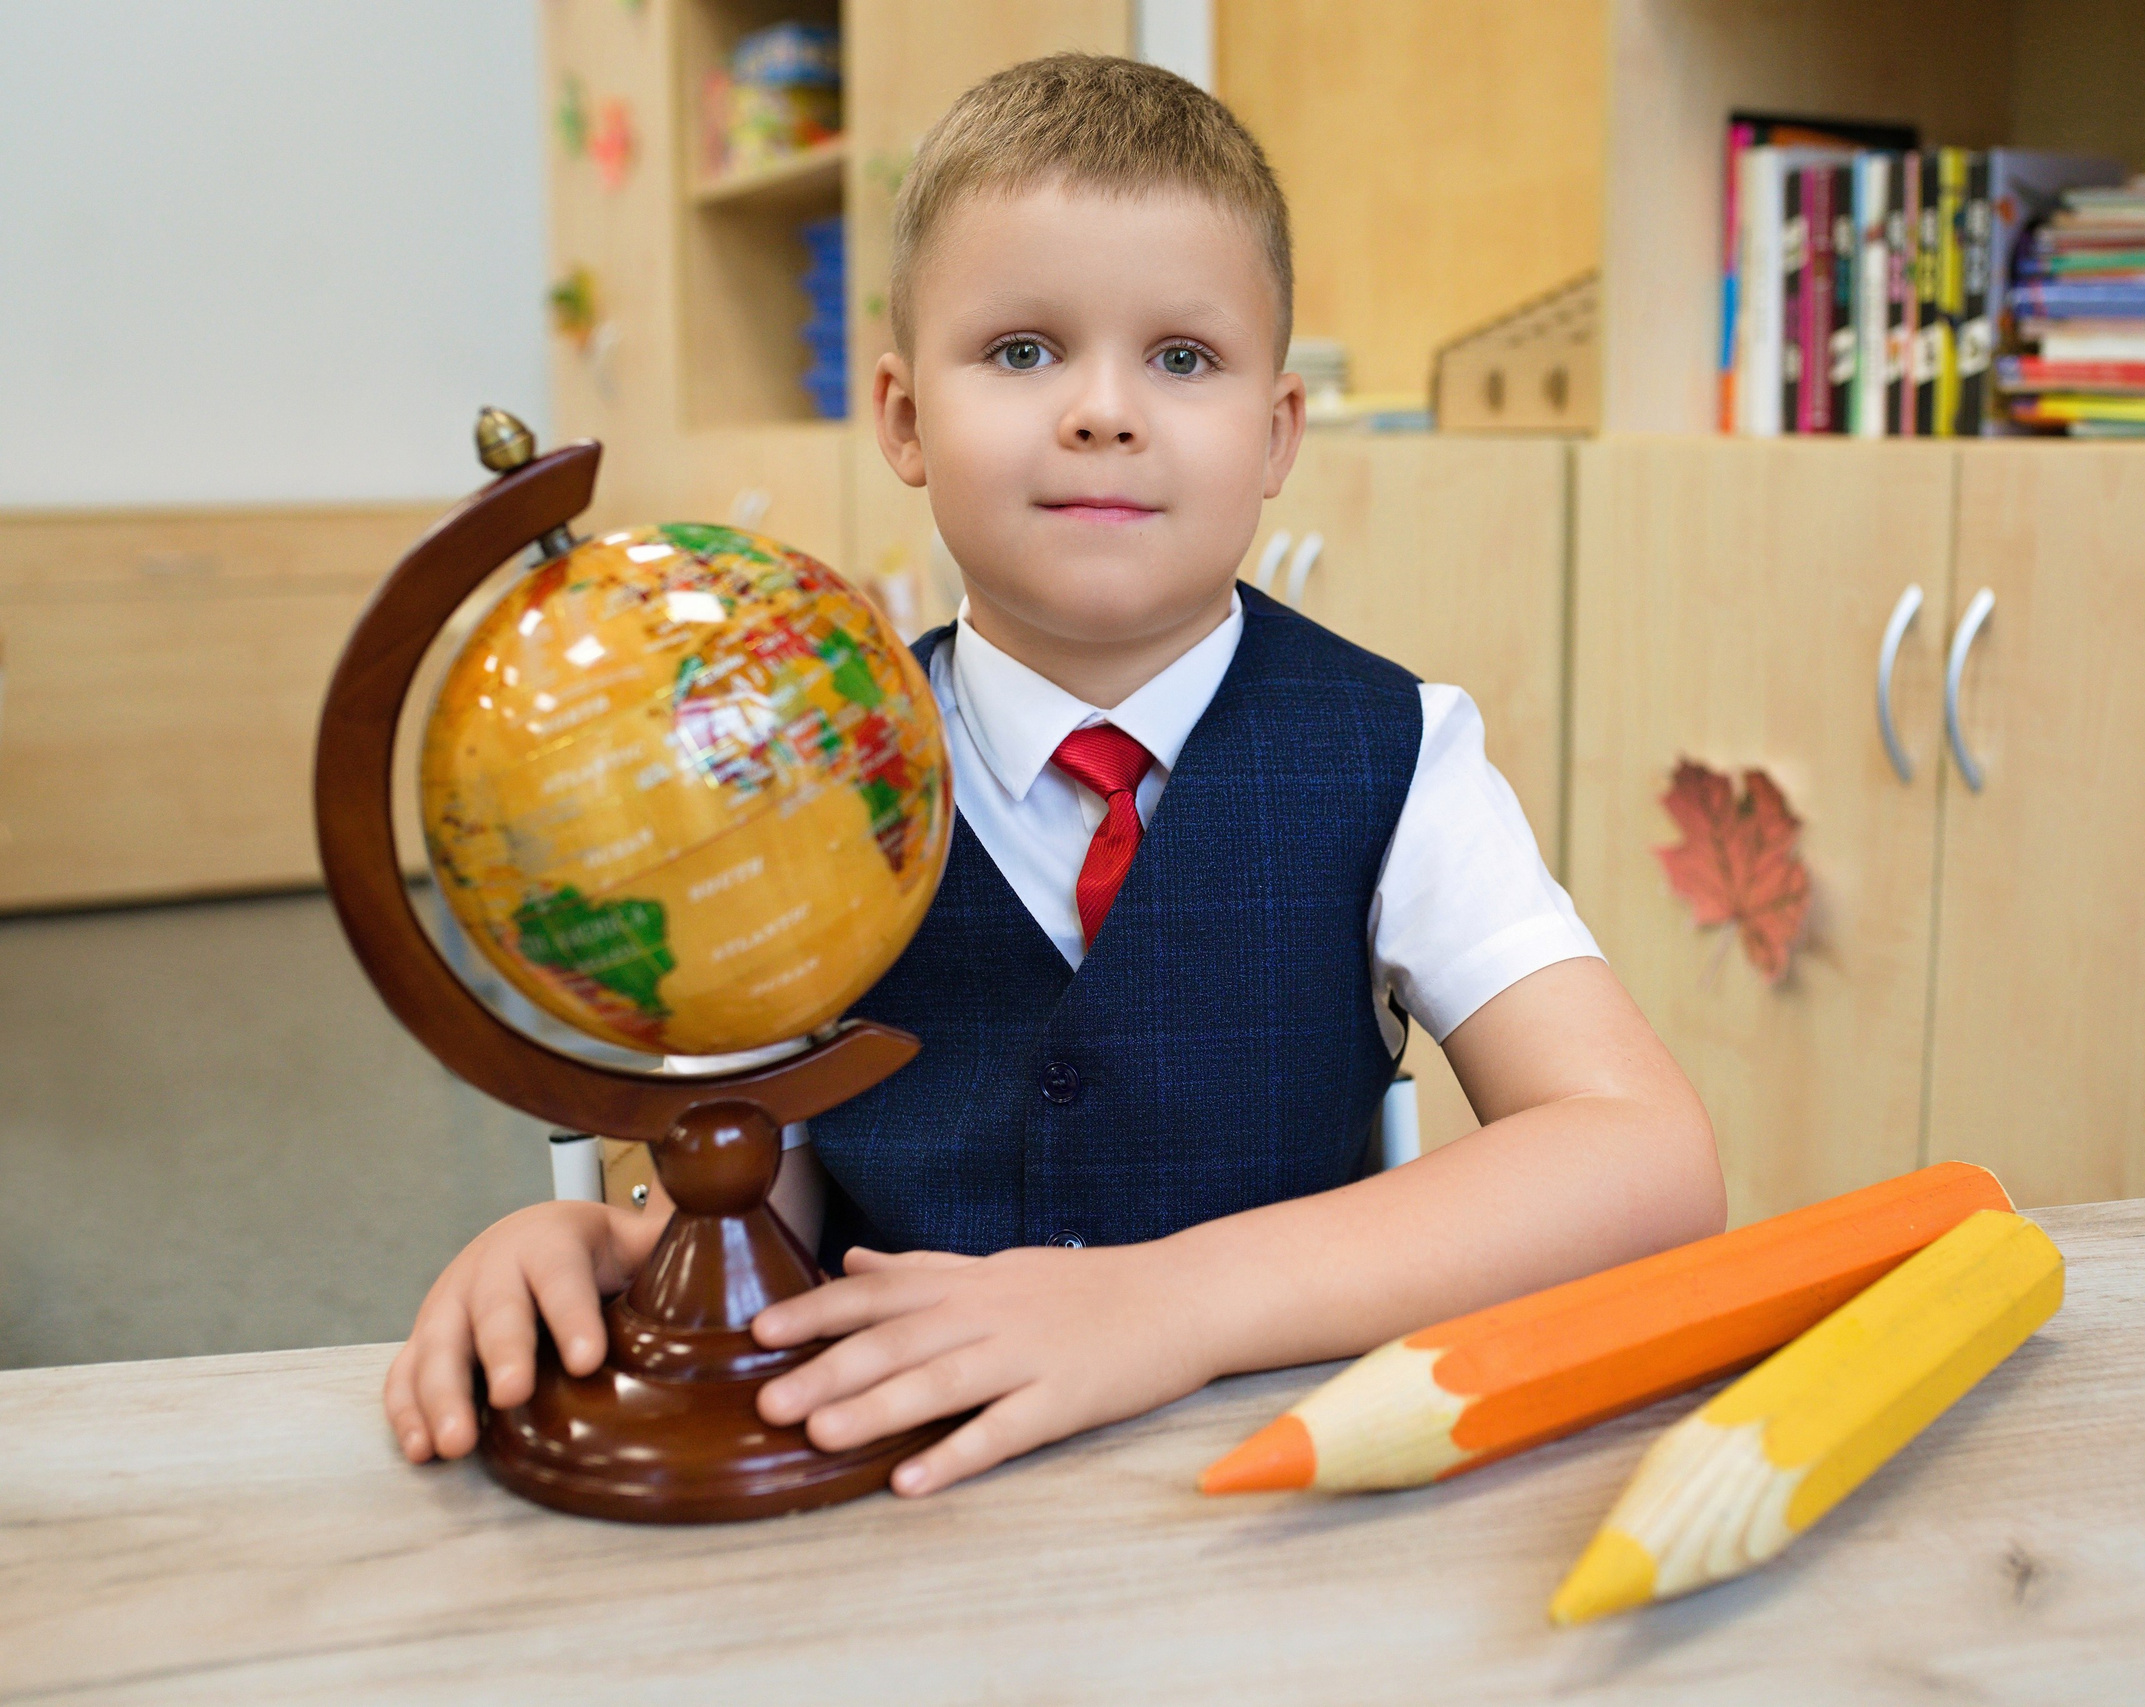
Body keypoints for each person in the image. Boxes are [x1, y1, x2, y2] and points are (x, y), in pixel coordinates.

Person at [384, 53, 1722, 1497]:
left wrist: (1173, 1303)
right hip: (902, 1509)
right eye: (1023, 351)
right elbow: (735, 1214)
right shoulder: (791, 775)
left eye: (1183, 359)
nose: (1103, 412)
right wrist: (600, 1247)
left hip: (1282, 1503)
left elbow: (1644, 1158)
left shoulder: (1401, 751)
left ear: (1277, 434)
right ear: (904, 418)